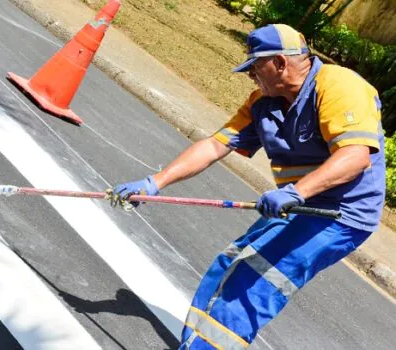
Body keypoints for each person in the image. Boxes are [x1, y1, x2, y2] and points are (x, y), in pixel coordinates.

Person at [109, 23, 386, 349]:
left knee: (252, 285)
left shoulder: (339, 85)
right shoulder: (263, 102)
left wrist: (295, 192)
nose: (250, 75)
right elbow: (215, 146)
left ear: (280, 63)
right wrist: (154, 182)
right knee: (229, 265)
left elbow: (355, 157)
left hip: (339, 215)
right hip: (297, 204)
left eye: (255, 67)